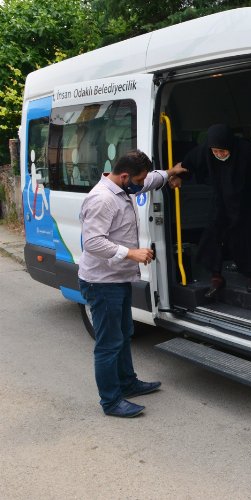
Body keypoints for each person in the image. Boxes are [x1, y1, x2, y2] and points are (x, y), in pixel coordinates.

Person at [78, 150, 188, 418]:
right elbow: (92, 243)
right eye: (138, 179)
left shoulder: (123, 187)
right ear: (125, 176)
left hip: (118, 279)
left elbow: (150, 180)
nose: (142, 183)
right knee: (109, 344)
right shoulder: (103, 199)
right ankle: (111, 401)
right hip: (101, 283)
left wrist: (170, 173)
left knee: (124, 334)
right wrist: (130, 253)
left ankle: (128, 383)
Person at [177, 124, 251, 296]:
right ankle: (216, 276)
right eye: (215, 151)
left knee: (248, 238)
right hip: (220, 201)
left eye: (222, 151)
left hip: (247, 202)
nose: (218, 155)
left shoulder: (246, 150)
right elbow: (188, 164)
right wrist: (177, 176)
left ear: (230, 145)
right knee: (212, 234)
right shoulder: (206, 151)